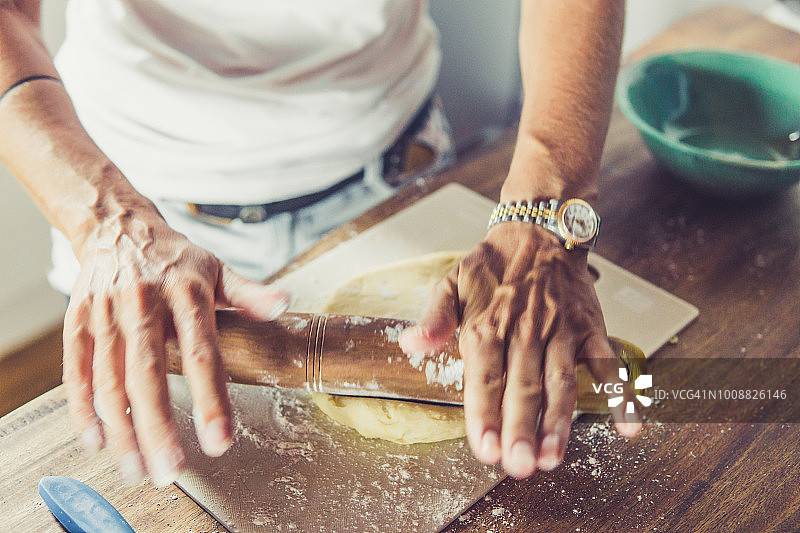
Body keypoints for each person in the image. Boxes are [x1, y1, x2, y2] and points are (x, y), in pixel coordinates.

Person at [0, 0, 641, 486]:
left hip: (394, 173)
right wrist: (104, 218)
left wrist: (543, 203)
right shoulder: (119, 224)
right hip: (138, 223)